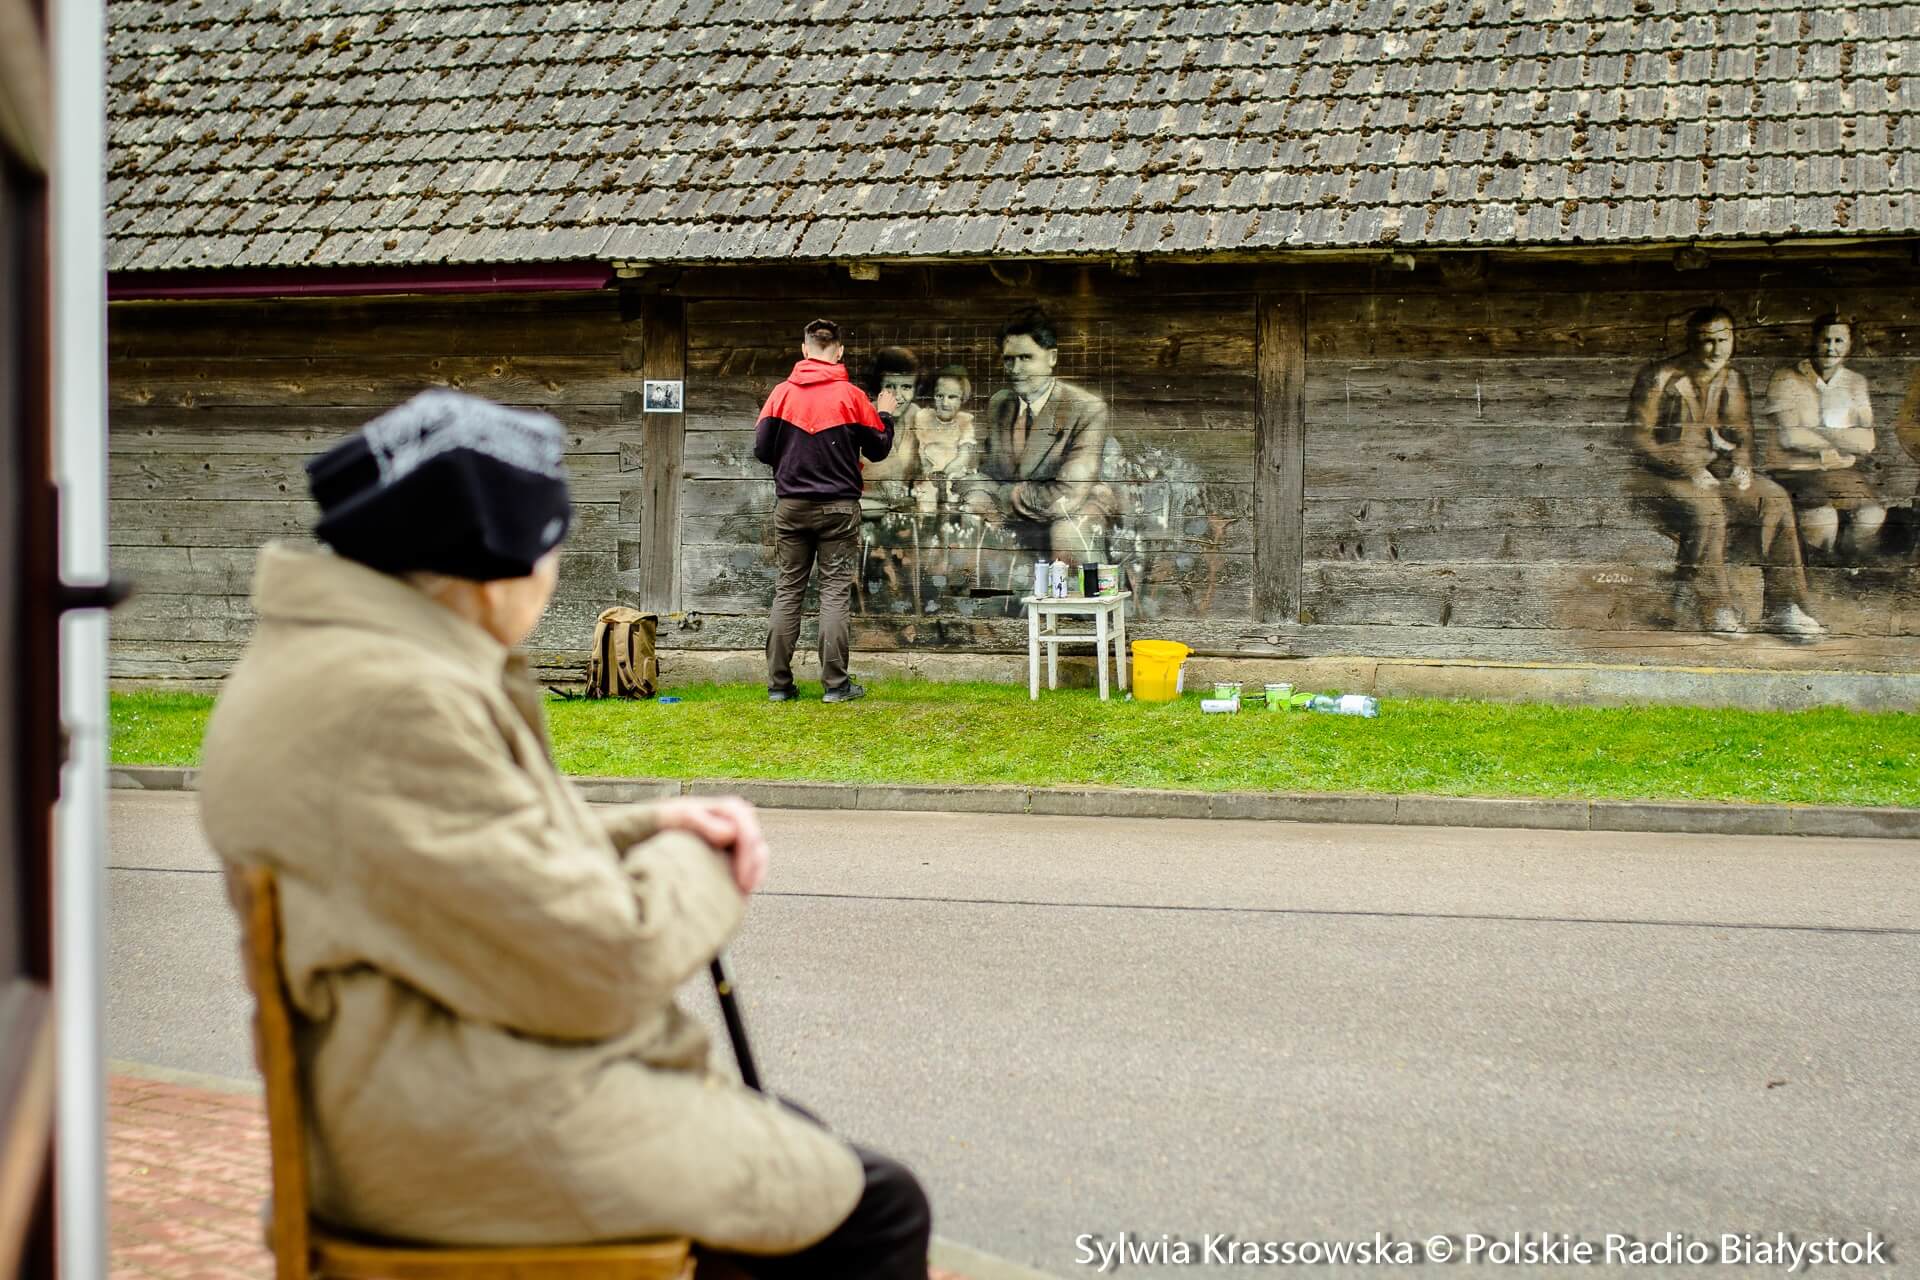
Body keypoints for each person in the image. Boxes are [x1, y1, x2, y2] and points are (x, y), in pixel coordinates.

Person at [197, 389, 931, 1278]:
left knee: (798, 1147)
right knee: (879, 1205)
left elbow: (463, 856)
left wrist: (649, 825)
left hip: (421, 1074)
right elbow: (604, 967)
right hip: (460, 1128)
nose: (550, 580)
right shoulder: (397, 702)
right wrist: (695, 862)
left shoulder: (335, 661)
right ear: (487, 564)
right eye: (549, 549)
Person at [1626, 306, 1824, 639]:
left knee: (1773, 497)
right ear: (1690, 341)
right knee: (1708, 508)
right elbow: (1638, 440)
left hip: (1711, 471)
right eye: (1706, 341)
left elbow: (1741, 433)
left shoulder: (1731, 377)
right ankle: (1715, 606)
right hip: (1658, 475)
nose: (1716, 350)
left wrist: (1742, 465)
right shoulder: (1660, 376)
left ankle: (1783, 606)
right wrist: (1687, 467)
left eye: (1723, 340)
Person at [754, 319, 897, 702]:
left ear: (804, 350)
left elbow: (762, 450)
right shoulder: (851, 397)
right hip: (838, 507)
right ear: (839, 352)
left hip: (792, 506)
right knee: (833, 594)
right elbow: (878, 448)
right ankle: (836, 686)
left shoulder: (780, 395)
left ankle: (779, 686)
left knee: (788, 592)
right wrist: (885, 413)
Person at [969, 307, 1115, 564]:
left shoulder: (1086, 408)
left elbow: (1068, 494)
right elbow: (989, 472)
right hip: (1025, 510)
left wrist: (1003, 497)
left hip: (1075, 509)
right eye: (1009, 359)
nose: (1015, 369)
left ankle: (1076, 602)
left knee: (1068, 533)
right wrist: (974, 495)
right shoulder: (999, 404)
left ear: (1052, 358)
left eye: (1026, 358)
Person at [1763, 313, 1886, 555]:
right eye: (1825, 340)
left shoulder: (1855, 382)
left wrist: (1816, 431)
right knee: (1823, 520)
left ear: (1850, 344)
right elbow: (1791, 438)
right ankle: (1818, 570)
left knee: (1872, 515)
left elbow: (1867, 442)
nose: (1831, 348)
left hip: (1840, 472)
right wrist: (1843, 440)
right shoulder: (1785, 378)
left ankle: (1848, 568)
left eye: (1839, 341)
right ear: (1814, 341)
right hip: (1795, 471)